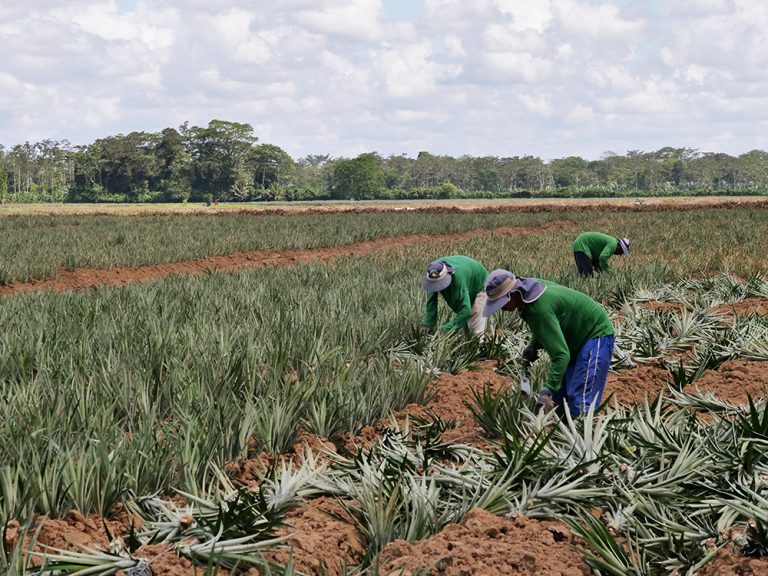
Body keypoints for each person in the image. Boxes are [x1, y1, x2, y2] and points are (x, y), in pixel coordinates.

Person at [482, 269, 615, 417]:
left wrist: (548, 389)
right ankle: (566, 434)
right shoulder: (529, 293)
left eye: (501, 302)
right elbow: (547, 324)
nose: (501, 308)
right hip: (575, 337)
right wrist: (534, 344)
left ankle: (582, 434)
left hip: (596, 334)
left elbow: (561, 355)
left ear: (513, 294)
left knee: (580, 398)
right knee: (560, 399)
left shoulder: (539, 308)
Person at [421, 255, 489, 339]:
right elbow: (431, 301)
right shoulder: (432, 274)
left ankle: (479, 347)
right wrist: (428, 323)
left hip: (482, 284)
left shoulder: (458, 280)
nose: (437, 287)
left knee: (475, 326)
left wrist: (445, 329)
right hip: (468, 279)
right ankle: (467, 346)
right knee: (465, 327)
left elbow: (465, 311)